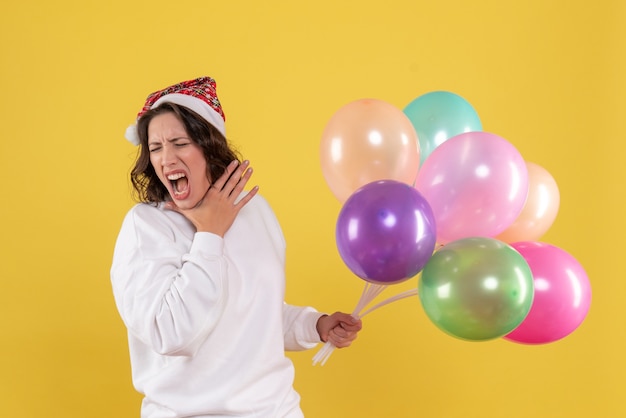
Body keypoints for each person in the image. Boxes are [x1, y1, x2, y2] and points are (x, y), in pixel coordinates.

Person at [110, 76, 363, 418]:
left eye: (179, 143)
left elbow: (255, 313)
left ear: (208, 147)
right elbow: (170, 333)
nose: (166, 159)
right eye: (155, 148)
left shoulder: (254, 211)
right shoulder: (146, 228)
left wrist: (314, 325)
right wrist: (209, 234)